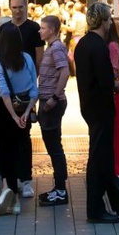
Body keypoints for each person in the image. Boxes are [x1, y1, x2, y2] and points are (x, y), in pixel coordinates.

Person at [74, 2, 119, 223]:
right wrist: (115, 85)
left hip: (90, 106)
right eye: (109, 18)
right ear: (104, 20)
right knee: (98, 159)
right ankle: (95, 210)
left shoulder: (83, 43)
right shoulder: (99, 46)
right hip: (101, 108)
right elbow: (105, 81)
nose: (111, 22)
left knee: (104, 158)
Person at [0, 23, 36, 216]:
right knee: (21, 146)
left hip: (4, 112)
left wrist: (14, 116)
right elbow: (34, 89)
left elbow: (4, 92)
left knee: (6, 153)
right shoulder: (27, 58)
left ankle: (11, 195)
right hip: (24, 108)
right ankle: (22, 185)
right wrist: (25, 113)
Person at [35, 14, 70, 207]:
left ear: (52, 30)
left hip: (51, 103)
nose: (40, 31)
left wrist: (54, 98)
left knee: (54, 147)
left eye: (43, 28)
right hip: (48, 101)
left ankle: (61, 190)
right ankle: (58, 188)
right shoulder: (52, 47)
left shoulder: (56, 48)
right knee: (53, 145)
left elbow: (64, 71)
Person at [105, 18, 119, 177]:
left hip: (114, 88)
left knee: (117, 130)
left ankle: (118, 167)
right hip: (115, 87)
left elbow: (113, 70)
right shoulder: (113, 44)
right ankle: (116, 166)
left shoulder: (112, 46)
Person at [5, 0, 44, 69]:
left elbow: (40, 56)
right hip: (8, 71)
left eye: (20, 7)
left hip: (29, 71)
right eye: (14, 7)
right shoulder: (4, 28)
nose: (17, 11)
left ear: (25, 6)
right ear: (10, 7)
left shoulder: (34, 27)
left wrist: (36, 73)